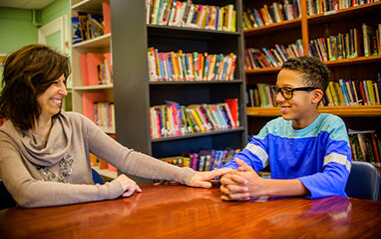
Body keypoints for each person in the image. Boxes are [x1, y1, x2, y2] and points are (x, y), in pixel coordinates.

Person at [0, 44, 231, 208]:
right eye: (54, 83)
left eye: (64, 82)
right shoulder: (6, 138)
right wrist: (109, 189)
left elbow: (127, 158)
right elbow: (26, 193)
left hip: (89, 220)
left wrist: (186, 175)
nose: (64, 91)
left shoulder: (76, 123)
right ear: (27, 87)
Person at [220, 56, 352, 201]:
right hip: (283, 214)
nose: (278, 98)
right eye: (277, 90)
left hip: (325, 212)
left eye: (288, 91)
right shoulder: (273, 128)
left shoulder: (331, 126)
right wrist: (230, 176)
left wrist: (264, 186)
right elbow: (243, 161)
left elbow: (335, 181)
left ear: (315, 96)